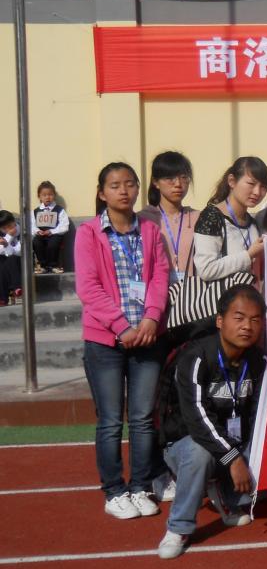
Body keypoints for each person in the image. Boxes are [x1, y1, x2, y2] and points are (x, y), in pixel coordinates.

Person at [75, 163, 170, 519]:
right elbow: (88, 287)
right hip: (105, 342)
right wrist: (120, 326)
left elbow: (160, 276)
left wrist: (151, 318)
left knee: (143, 418)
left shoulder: (149, 230)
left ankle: (141, 486)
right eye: (115, 185)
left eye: (130, 184)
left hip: (147, 336)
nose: (124, 191)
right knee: (111, 420)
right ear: (102, 193)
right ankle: (114, 491)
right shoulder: (88, 233)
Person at [156, 284, 267, 559]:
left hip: (232, 442)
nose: (247, 327)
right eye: (239, 318)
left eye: (255, 320)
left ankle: (226, 493)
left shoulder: (258, 360)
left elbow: (260, 414)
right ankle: (179, 527)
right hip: (188, 443)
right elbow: (197, 419)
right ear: (220, 321)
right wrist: (233, 459)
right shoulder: (195, 357)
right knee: (200, 453)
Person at [193, 157, 267, 282]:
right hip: (221, 294)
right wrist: (248, 255)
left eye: (263, 187)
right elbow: (206, 270)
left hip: (249, 293)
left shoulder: (252, 222)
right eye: (251, 184)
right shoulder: (211, 217)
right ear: (232, 181)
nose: (257, 192)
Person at [139, 152, 199, 284]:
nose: (178, 184)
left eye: (184, 177)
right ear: (155, 182)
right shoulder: (143, 220)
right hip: (156, 292)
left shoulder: (198, 218)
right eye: (170, 178)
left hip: (192, 293)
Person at [30, 181, 69, 274]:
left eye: (50, 194)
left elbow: (64, 225)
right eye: (44, 195)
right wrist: (37, 231)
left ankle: (53, 265)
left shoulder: (59, 210)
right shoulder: (35, 211)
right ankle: (43, 266)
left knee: (53, 244)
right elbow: (32, 225)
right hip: (41, 235)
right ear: (39, 196)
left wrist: (52, 231)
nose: (47, 197)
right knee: (36, 242)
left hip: (54, 234)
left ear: (54, 195)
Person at [0, 210, 23, 306]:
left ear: (14, 221)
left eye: (9, 226)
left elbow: (19, 251)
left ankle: (15, 290)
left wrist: (6, 243)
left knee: (11, 258)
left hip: (21, 261)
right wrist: (8, 238)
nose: (8, 230)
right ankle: (7, 295)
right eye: (4, 228)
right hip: (5, 262)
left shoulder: (23, 231)